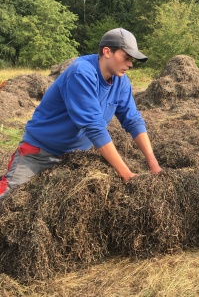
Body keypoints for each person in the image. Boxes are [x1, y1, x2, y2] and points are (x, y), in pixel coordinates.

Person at [0, 28, 162, 199]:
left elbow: (133, 120)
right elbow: (94, 128)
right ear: (107, 51)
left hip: (75, 158)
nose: (130, 64)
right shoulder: (82, 72)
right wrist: (127, 174)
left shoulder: (121, 81)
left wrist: (153, 164)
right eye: (126, 57)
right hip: (40, 154)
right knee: (9, 200)